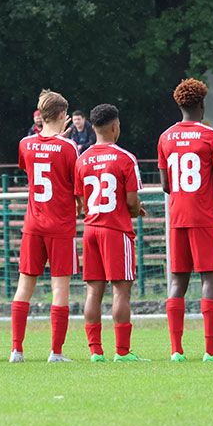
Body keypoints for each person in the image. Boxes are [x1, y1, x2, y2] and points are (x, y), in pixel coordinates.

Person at [157, 78, 213, 362]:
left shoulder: (165, 137)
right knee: (210, 279)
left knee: (177, 281)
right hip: (204, 215)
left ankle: (176, 350)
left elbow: (166, 184)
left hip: (177, 215)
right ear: (202, 104)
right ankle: (211, 350)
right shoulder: (212, 137)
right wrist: (212, 204)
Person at [10, 90, 80, 363]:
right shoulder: (69, 147)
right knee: (60, 288)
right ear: (63, 115)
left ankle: (16, 350)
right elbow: (76, 188)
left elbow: (29, 171)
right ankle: (56, 352)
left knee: (24, 286)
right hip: (60, 225)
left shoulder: (25, 144)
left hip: (33, 224)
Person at [75, 103, 148, 362]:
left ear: (93, 127)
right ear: (115, 126)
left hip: (91, 229)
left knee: (94, 291)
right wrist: (136, 208)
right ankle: (123, 352)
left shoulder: (82, 160)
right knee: (121, 290)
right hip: (115, 230)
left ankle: (95, 351)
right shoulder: (125, 158)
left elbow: (81, 203)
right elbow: (130, 203)